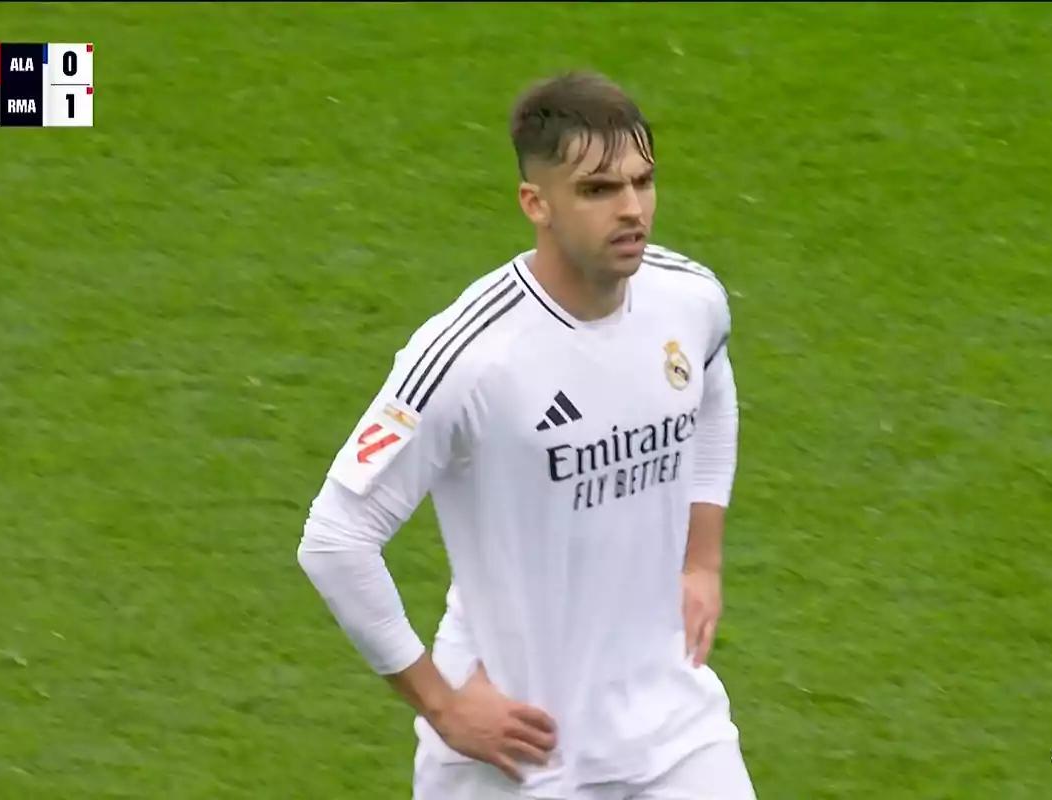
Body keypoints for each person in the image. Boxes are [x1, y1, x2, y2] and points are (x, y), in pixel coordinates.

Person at [298, 71, 756, 799]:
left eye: (642, 182)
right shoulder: (468, 356)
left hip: (673, 726)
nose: (632, 209)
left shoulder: (690, 299)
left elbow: (712, 391)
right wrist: (443, 707)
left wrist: (702, 561)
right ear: (535, 203)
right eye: (598, 189)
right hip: (521, 748)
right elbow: (334, 539)